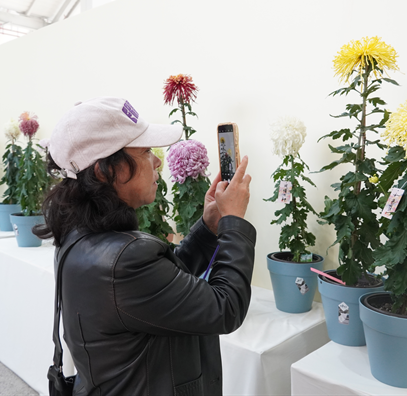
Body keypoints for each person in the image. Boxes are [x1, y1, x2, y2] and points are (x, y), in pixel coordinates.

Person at [33, 96, 256, 396]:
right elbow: (225, 307)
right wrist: (233, 223)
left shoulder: (79, 237)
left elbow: (162, 288)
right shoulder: (124, 261)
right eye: (146, 151)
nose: (157, 161)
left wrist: (208, 227)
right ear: (104, 171)